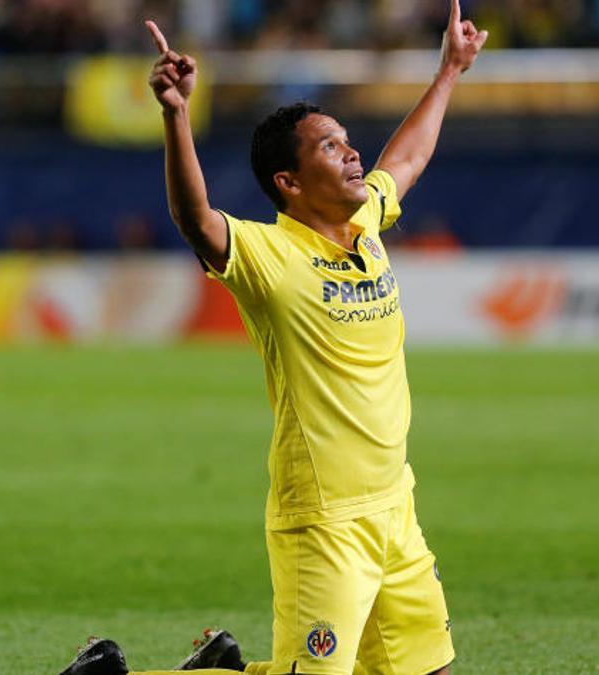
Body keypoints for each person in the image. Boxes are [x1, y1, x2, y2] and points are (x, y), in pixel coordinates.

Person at [59, 0, 486, 672]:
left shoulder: (367, 226)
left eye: (347, 139)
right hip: (324, 517)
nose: (351, 151)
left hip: (394, 504)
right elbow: (196, 220)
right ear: (289, 182)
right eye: (328, 145)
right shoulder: (268, 256)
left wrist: (450, 72)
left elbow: (405, 158)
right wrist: (176, 115)